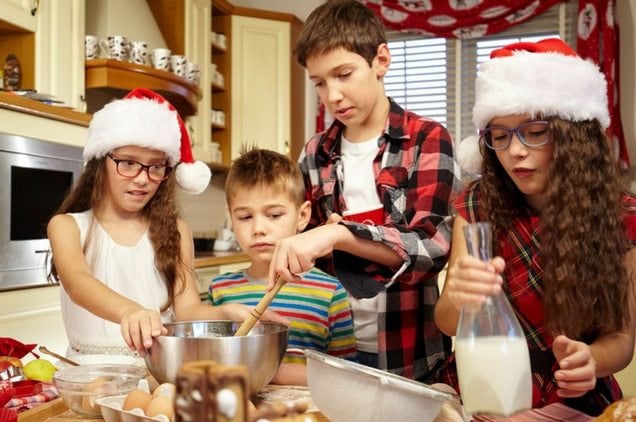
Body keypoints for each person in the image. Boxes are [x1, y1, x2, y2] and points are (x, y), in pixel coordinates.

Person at [435, 38, 636, 415]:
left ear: (574, 136)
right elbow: (447, 321)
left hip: (575, 401)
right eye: (500, 135)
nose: (515, 151)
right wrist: (458, 297)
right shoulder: (479, 206)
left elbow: (621, 338)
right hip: (484, 390)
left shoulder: (621, 216)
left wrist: (591, 359)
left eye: (535, 130)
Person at [267, 0, 459, 382]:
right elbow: (309, 252)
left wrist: (340, 235)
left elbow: (430, 249)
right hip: (331, 351)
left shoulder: (427, 139)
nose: (332, 95)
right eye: (320, 83)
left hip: (410, 357)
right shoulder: (313, 153)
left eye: (344, 74)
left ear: (381, 61)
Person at [48, 88, 283, 358]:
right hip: (89, 373)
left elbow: (188, 311)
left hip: (157, 371)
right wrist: (129, 311)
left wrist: (225, 313)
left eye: (156, 167)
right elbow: (78, 283)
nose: (142, 178)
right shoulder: (67, 226)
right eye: (127, 163)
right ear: (101, 162)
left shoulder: (177, 231)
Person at [208, 148, 357, 386]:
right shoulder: (220, 289)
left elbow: (347, 374)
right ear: (230, 218)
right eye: (245, 217)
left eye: (274, 215)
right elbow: (215, 363)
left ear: (302, 216)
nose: (258, 228)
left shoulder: (330, 291)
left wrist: (272, 373)